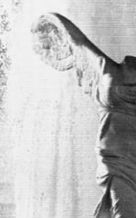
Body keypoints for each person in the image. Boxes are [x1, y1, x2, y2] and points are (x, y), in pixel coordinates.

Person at [32, 13, 136, 218]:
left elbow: (80, 42)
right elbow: (80, 41)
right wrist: (52, 19)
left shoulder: (109, 73)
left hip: (119, 155)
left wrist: (53, 19)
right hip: (116, 159)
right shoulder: (109, 72)